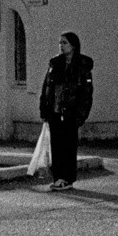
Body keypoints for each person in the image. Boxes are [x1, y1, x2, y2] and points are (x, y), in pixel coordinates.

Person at [38, 31, 93, 192]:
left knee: (68, 147)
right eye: (60, 43)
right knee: (56, 146)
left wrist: (80, 116)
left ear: (73, 45)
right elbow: (46, 87)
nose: (61, 46)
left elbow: (86, 94)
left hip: (71, 113)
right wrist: (44, 109)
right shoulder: (55, 63)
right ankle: (58, 178)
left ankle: (67, 178)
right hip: (54, 111)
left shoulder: (82, 65)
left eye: (64, 43)